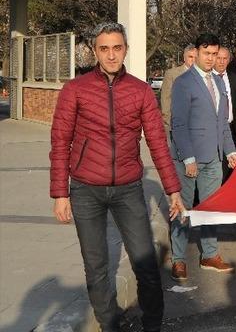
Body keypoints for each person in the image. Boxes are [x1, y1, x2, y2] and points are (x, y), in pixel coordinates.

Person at [50, 22, 185, 332]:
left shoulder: (139, 90)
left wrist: (172, 190)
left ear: (126, 49)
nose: (111, 55)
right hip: (86, 190)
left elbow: (157, 143)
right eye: (104, 48)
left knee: (145, 263)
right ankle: (110, 323)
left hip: (128, 189)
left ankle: (153, 323)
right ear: (96, 51)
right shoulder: (76, 89)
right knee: (96, 267)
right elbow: (60, 141)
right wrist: (61, 193)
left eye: (117, 47)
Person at [170, 33, 236, 281]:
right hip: (189, 160)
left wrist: (230, 151)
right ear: (197, 53)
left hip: (214, 158)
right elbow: (178, 124)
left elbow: (222, 123)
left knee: (211, 208)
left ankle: (209, 254)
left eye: (214, 54)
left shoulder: (220, 82)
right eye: (207, 53)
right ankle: (178, 259)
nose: (211, 58)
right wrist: (188, 158)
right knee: (183, 209)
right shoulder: (183, 82)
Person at [213, 47, 236, 181]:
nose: (221, 62)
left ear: (229, 60)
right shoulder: (208, 79)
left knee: (229, 166)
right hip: (213, 130)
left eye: (224, 58)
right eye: (218, 58)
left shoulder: (235, 78)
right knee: (215, 165)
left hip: (231, 128)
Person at [160, 44, 196, 130]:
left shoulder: (203, 75)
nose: (193, 60)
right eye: (190, 57)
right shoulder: (172, 74)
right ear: (184, 58)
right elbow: (166, 98)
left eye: (196, 57)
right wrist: (169, 121)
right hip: (178, 124)